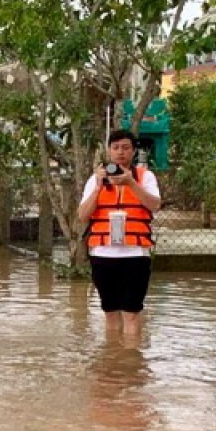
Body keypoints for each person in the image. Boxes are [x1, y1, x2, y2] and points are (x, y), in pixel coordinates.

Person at [77, 129, 162, 336]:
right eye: (115, 148)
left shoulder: (145, 177)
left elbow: (155, 205)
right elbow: (82, 215)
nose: (120, 152)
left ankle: (130, 362)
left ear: (133, 151)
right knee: (110, 312)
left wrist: (130, 183)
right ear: (109, 151)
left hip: (135, 254)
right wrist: (98, 188)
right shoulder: (95, 180)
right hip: (102, 254)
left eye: (125, 148)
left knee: (132, 313)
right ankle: (113, 360)